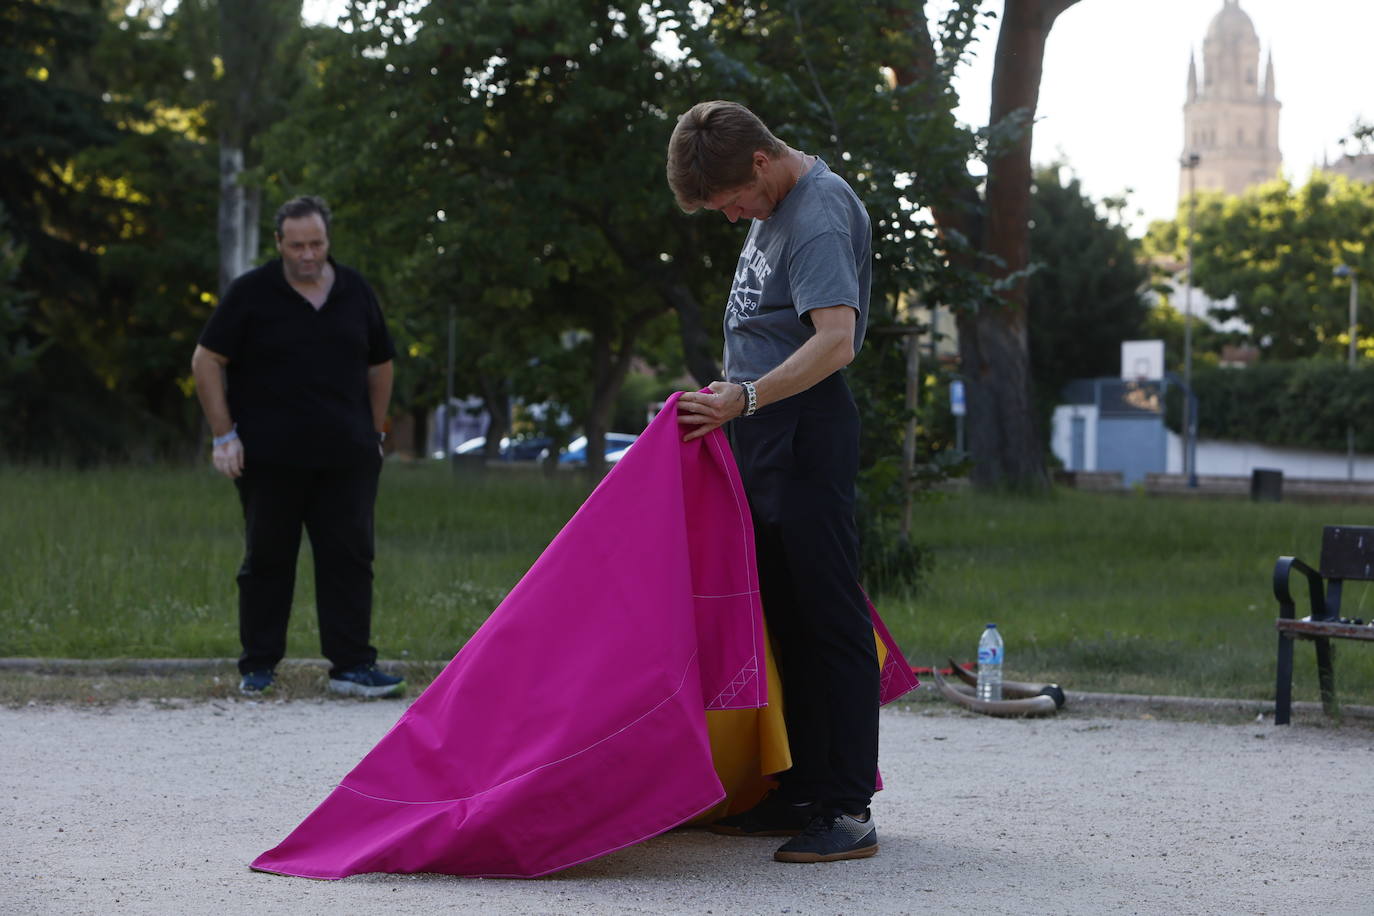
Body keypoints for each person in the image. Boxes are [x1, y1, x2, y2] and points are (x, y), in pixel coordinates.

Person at [666, 101, 880, 864]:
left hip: (805, 431)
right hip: (763, 430)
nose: (733, 218)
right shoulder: (775, 203)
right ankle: (802, 788)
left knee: (829, 617)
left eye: (733, 203)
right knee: (785, 617)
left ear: (761, 162)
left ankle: (848, 807)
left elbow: (835, 342)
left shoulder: (817, 212)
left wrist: (747, 397)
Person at [191, 195, 405, 699]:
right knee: (267, 560)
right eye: (297, 246)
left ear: (328, 241)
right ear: (279, 244)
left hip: (347, 457)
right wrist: (224, 436)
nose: (308, 255)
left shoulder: (355, 290)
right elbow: (206, 360)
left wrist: (375, 433)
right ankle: (259, 666)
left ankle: (352, 667)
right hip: (270, 458)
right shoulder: (252, 294)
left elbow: (381, 364)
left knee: (350, 558)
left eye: (317, 244)